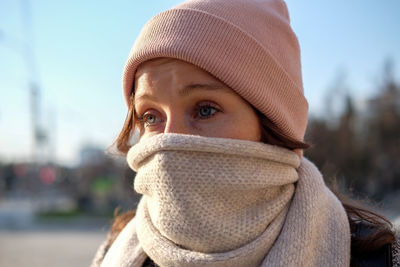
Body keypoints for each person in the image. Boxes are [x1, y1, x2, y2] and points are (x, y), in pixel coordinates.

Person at [92, 0, 400, 266]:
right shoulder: (116, 249)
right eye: (150, 116)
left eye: (205, 110)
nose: (169, 138)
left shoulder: (378, 258)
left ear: (273, 123)